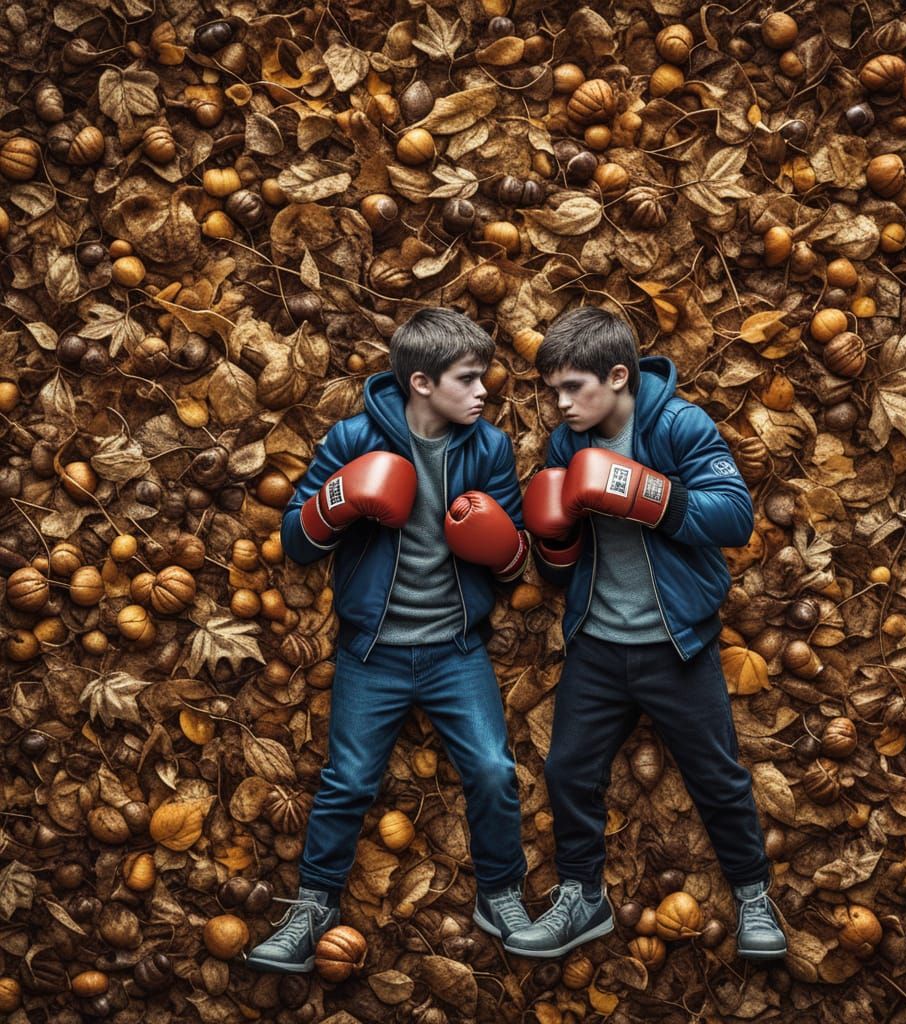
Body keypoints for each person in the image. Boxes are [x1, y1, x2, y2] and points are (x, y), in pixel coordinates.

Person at [246, 308, 532, 972]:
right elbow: (295, 540)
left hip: (456, 648)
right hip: (371, 649)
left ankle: (501, 894)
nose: (484, 390)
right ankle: (313, 908)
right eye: (469, 379)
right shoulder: (353, 437)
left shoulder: (485, 446)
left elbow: (517, 561)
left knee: (493, 771)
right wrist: (341, 500)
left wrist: (497, 541)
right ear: (424, 383)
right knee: (346, 781)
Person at [504, 306, 787, 961]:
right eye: (553, 391)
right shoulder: (566, 445)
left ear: (620, 375)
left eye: (574, 388)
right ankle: (582, 898)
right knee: (570, 771)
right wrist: (550, 539)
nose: (562, 404)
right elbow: (561, 564)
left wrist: (645, 493)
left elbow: (735, 517)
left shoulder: (678, 425)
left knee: (716, 777)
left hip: (675, 642)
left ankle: (752, 899)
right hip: (598, 644)